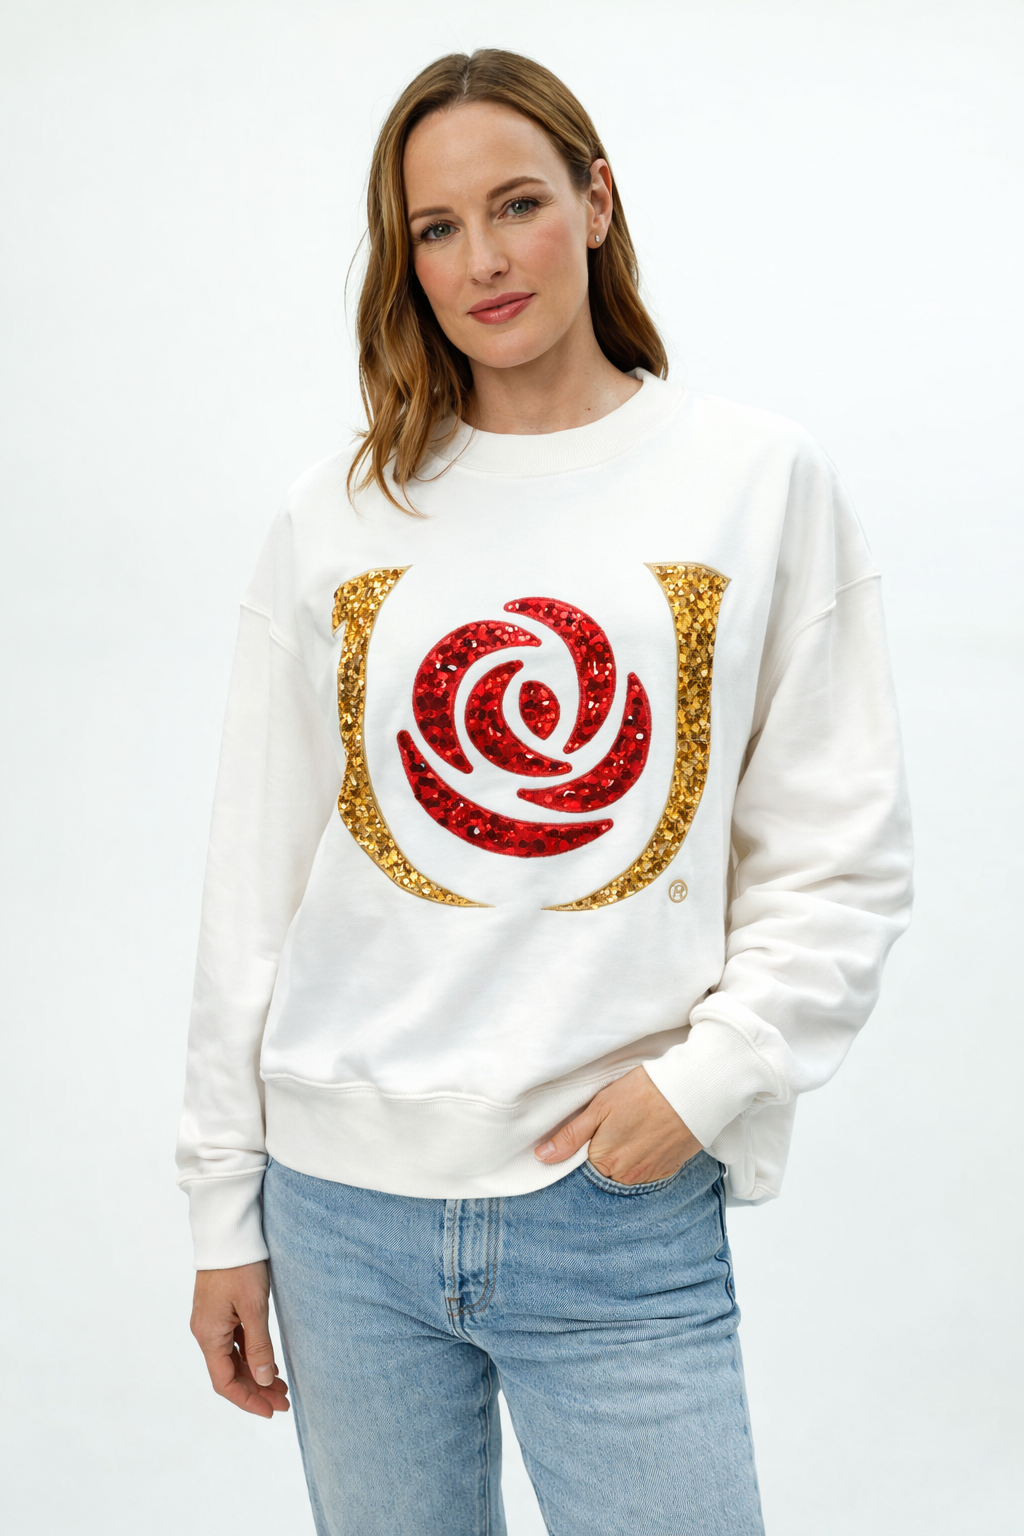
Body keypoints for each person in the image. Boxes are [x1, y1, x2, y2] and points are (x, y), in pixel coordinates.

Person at [178, 48, 912, 1536]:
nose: (484, 261)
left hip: (615, 1207)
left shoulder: (754, 478)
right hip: (338, 1212)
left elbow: (841, 852)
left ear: (597, 201)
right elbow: (253, 884)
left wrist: (705, 1083)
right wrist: (220, 1209)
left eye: (517, 204)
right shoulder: (339, 514)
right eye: (436, 229)